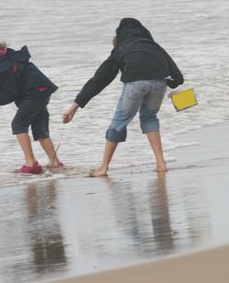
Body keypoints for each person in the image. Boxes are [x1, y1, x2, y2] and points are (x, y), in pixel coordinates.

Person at [62, 18, 183, 177]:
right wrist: (171, 86)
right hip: (160, 84)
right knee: (149, 117)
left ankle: (103, 167)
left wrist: (75, 106)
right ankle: (161, 163)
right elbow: (178, 77)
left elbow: (100, 79)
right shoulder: (154, 46)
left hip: (135, 84)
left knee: (119, 122)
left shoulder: (122, 48)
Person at [0, 33, 63, 174]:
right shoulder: (4, 59)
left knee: (18, 124)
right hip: (41, 90)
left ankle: (31, 163)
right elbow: (6, 89)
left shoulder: (1, 68)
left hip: (33, 92)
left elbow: (8, 95)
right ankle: (55, 162)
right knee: (39, 125)